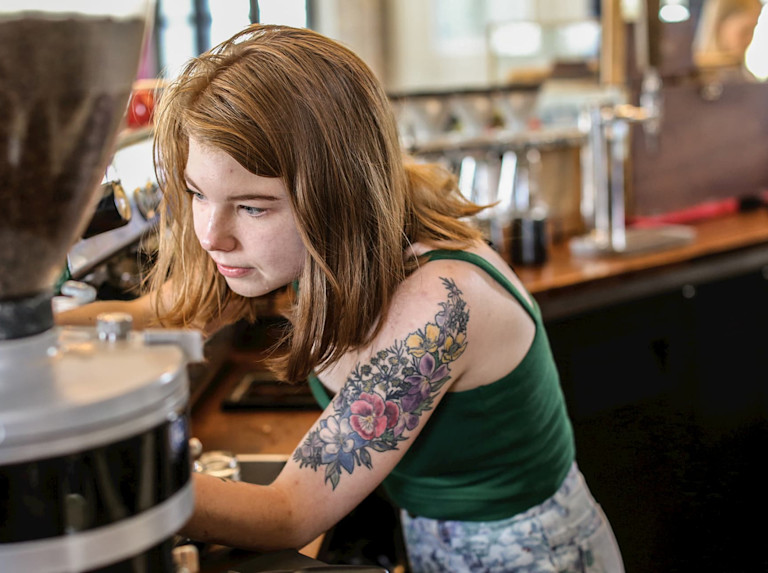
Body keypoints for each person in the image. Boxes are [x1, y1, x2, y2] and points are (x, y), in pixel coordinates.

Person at [58, 24, 624, 572]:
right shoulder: (322, 241)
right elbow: (154, 316)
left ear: (337, 192)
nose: (212, 234)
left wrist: (105, 477)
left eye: (253, 206)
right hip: (430, 536)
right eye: (197, 193)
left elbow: (288, 513)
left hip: (531, 556)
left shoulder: (441, 303)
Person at [693, 0, 763, 76]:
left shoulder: (744, 77)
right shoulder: (693, 77)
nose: (750, 39)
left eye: (753, 30)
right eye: (745, 31)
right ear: (720, 26)